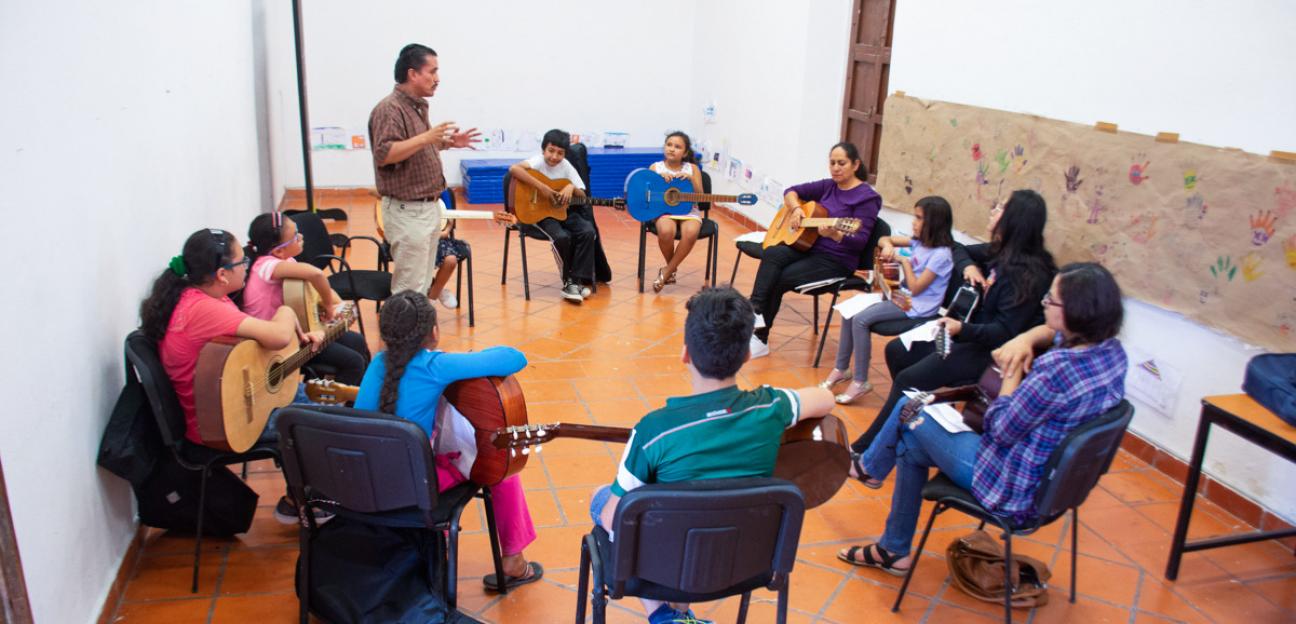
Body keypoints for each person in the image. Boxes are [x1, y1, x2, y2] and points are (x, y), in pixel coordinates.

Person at [838, 263, 1127, 575]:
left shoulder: (1056, 370)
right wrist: (1025, 340)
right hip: (1055, 487)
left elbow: (999, 430)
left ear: (1078, 311)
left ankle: (870, 470)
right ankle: (892, 548)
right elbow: (1050, 334)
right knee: (908, 440)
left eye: (1051, 300)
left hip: (1011, 487)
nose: (1044, 304)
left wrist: (1012, 373)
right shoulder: (1111, 353)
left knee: (910, 403)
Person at [588, 287, 835, 624]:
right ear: (747, 355)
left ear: (686, 354)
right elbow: (825, 400)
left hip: (663, 568)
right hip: (747, 561)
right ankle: (677, 615)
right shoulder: (771, 406)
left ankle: (665, 613)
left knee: (601, 498)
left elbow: (615, 518)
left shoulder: (653, 431)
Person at [848, 189, 1057, 463]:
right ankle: (907, 418)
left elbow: (1004, 332)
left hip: (989, 352)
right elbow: (956, 249)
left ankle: (871, 449)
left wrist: (961, 329)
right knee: (897, 352)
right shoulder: (1000, 253)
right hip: (968, 334)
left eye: (1000, 208)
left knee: (908, 379)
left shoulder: (1028, 274)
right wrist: (969, 266)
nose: (993, 211)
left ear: (1015, 220)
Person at [353, 291, 542, 592]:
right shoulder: (436, 366)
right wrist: (467, 359)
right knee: (500, 467)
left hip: (367, 483)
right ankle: (513, 561)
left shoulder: (377, 364)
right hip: (415, 487)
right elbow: (514, 358)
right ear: (434, 332)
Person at [139, 228, 324, 523]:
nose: (247, 267)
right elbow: (276, 336)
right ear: (222, 274)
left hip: (219, 408)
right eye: (242, 263)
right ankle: (310, 504)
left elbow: (257, 342)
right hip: (224, 424)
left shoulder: (193, 296)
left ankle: (301, 498)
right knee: (327, 424)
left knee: (306, 400)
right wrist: (288, 311)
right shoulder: (204, 309)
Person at [368, 43, 480, 303]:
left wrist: (448, 142)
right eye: (433, 71)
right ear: (413, 74)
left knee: (421, 282)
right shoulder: (390, 109)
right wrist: (427, 137)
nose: (437, 79)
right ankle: (402, 341)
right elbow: (385, 154)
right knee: (409, 288)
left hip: (427, 209)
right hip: (408, 212)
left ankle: (417, 336)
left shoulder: (415, 106)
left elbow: (417, 146)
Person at [748, 142, 881, 358]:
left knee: (780, 277)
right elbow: (790, 191)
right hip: (809, 247)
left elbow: (859, 240)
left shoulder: (867, 198)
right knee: (772, 253)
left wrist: (835, 234)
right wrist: (797, 209)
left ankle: (759, 337)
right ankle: (755, 311)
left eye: (842, 163)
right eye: (832, 163)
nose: (836, 168)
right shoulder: (829, 186)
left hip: (836, 261)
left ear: (856, 164)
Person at [822, 196, 955, 404]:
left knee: (860, 320)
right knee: (849, 313)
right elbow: (883, 239)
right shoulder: (919, 242)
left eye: (919, 218)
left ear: (934, 223)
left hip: (917, 307)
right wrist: (887, 245)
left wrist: (904, 261)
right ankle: (841, 369)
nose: (914, 222)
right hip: (900, 297)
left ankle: (860, 381)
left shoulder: (941, 255)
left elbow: (916, 288)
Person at [241, 211, 370, 386]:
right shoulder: (266, 266)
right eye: (295, 236)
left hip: (300, 330)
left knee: (358, 341)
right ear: (279, 250)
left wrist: (338, 304)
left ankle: (362, 397)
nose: (301, 236)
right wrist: (329, 307)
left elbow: (318, 287)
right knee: (354, 362)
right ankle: (338, 407)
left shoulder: (288, 261)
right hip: (277, 348)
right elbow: (315, 275)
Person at [508, 129, 597, 302]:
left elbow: (583, 196)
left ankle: (575, 281)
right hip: (537, 214)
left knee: (588, 231)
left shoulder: (566, 166)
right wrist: (543, 188)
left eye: (560, 153)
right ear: (543, 150)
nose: (554, 156)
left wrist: (570, 186)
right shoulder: (537, 161)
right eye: (551, 151)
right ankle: (569, 282)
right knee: (562, 237)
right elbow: (514, 169)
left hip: (561, 211)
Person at [647, 131, 705, 293]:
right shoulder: (655, 167)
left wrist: (691, 179)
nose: (672, 149)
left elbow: (701, 196)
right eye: (669, 145)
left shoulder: (692, 168)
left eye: (678, 147)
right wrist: (659, 181)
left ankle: (666, 271)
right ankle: (671, 270)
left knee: (691, 232)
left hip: (689, 210)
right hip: (664, 210)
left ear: (685, 153)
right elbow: (648, 196)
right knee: (666, 231)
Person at [427, 218, 470, 309]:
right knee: (417, 259)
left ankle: (432, 298)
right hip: (411, 238)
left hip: (438, 238)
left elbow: (450, 218)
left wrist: (446, 231)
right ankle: (434, 286)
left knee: (450, 260)